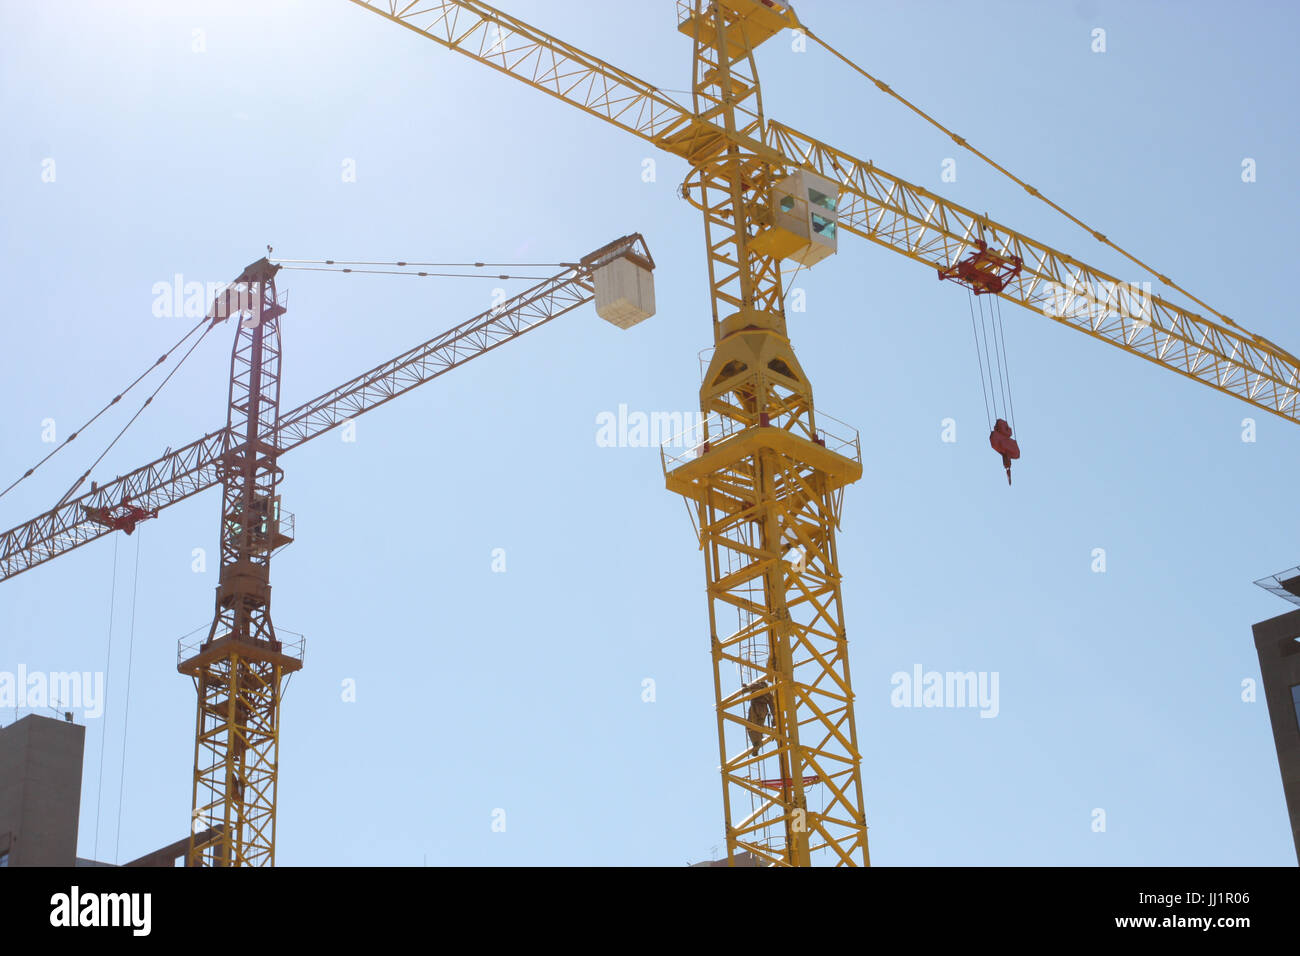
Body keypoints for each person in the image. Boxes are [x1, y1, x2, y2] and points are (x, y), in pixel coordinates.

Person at [740, 677, 775, 756]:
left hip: (755, 707)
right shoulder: (769, 693)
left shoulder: (757, 686)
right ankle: (757, 744)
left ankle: (756, 743)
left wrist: (746, 688)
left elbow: (748, 689)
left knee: (751, 726)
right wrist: (774, 717)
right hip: (763, 711)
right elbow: (772, 706)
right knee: (759, 727)